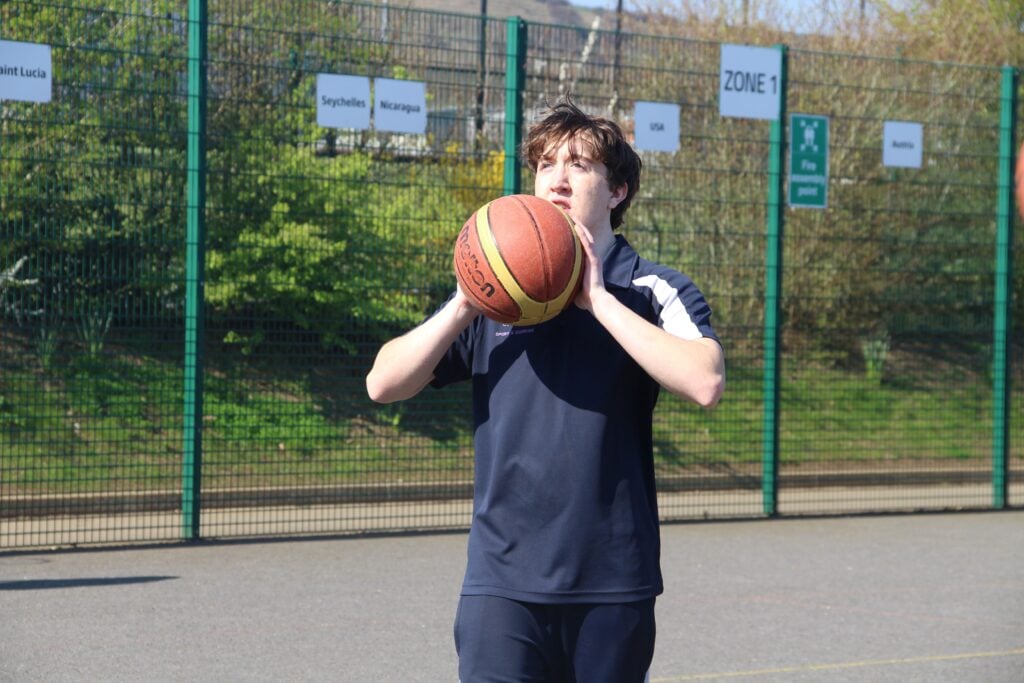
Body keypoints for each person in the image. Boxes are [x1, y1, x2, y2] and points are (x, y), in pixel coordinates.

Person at [366, 97, 725, 682]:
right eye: (546, 164)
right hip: (501, 584)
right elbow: (383, 383)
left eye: (580, 165)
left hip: (611, 582)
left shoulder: (649, 288)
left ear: (617, 192)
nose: (558, 179)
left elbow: (705, 381)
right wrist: (465, 299)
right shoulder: (495, 296)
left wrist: (598, 301)